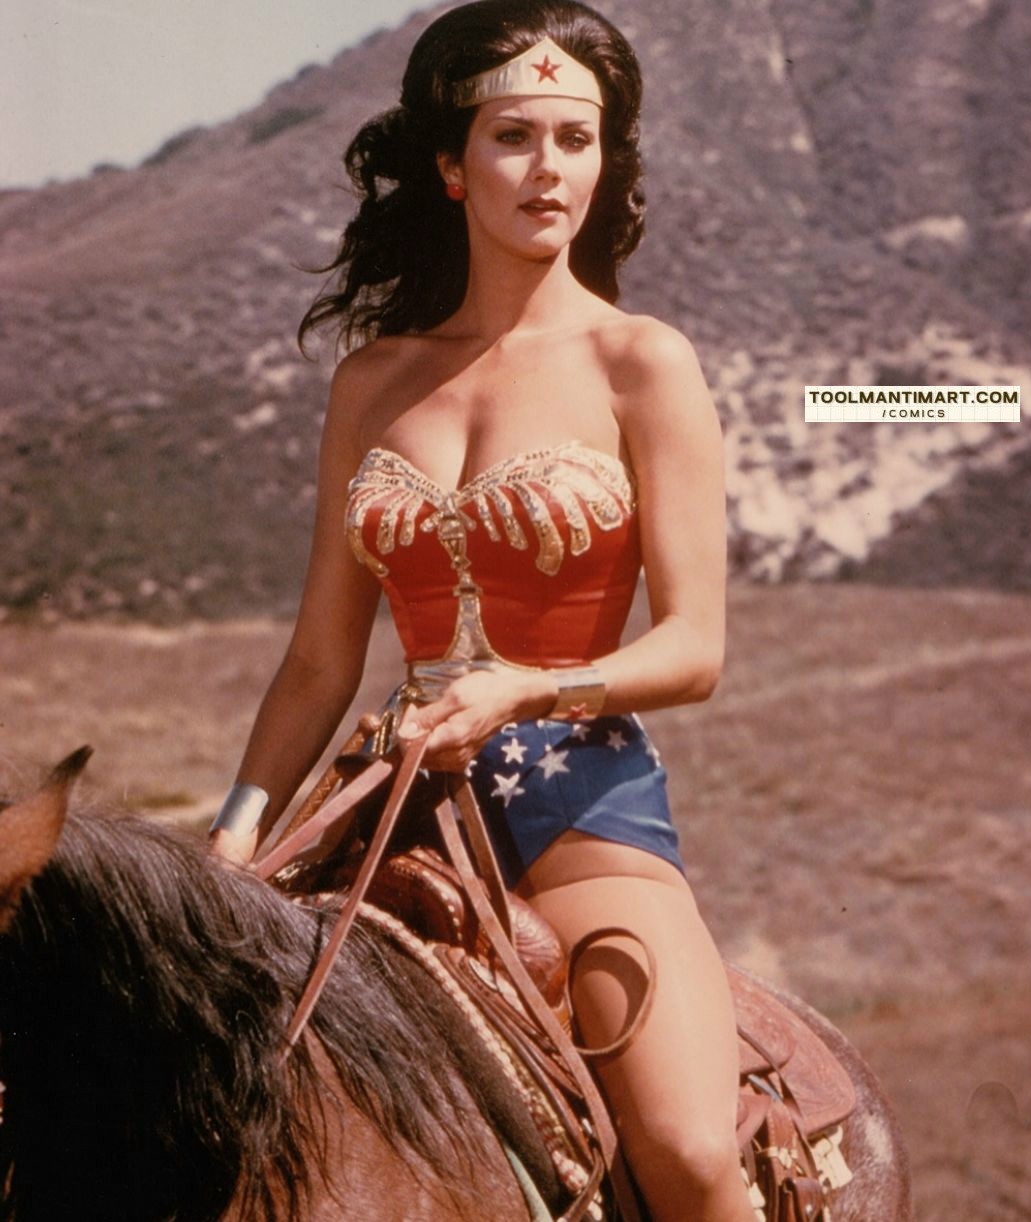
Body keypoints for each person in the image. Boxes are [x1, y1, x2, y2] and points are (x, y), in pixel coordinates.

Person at [210, 2, 755, 1218]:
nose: (549, 168)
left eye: (577, 138)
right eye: (515, 137)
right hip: (382, 805)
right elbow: (319, 660)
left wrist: (525, 687)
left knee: (685, 1149)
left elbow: (696, 649)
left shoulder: (643, 363)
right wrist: (235, 836)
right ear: (453, 167)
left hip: (577, 798)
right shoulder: (373, 380)